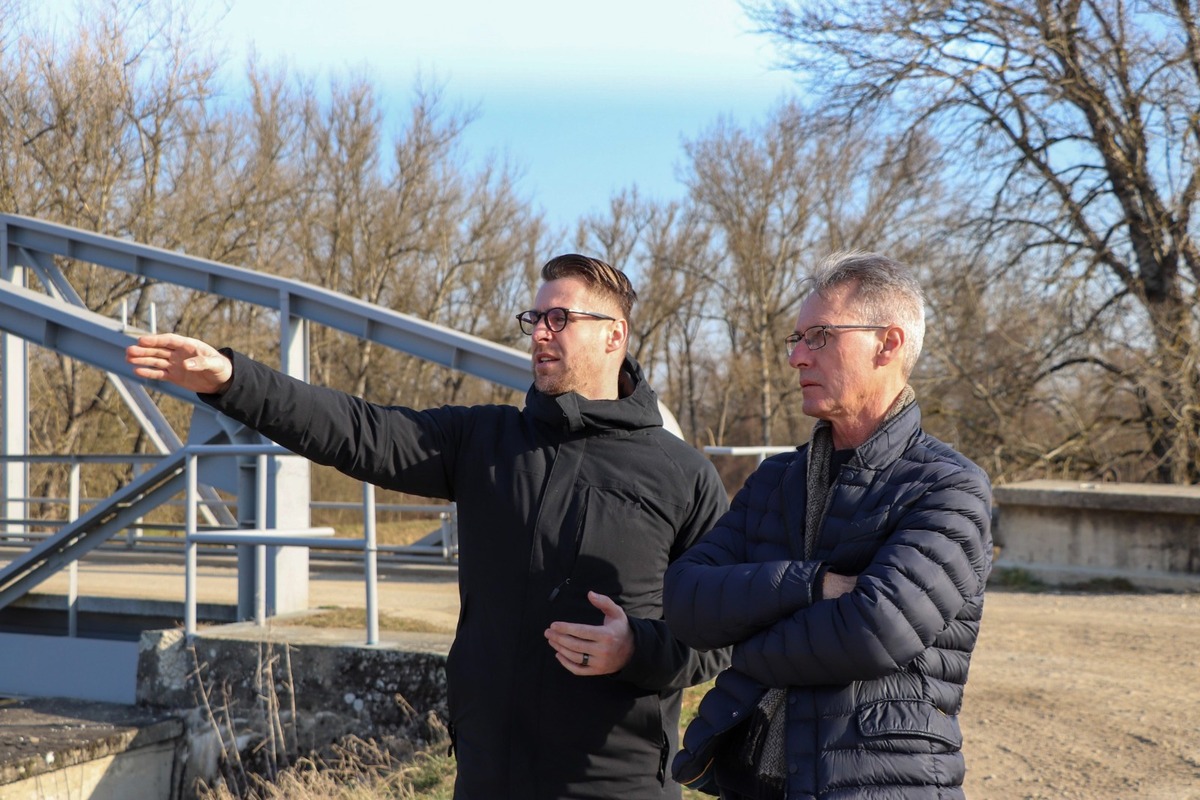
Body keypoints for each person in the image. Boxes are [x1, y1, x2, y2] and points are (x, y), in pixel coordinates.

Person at [127, 254, 730, 800]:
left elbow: (720, 636)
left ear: (613, 335)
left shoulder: (681, 475)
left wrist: (635, 650)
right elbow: (358, 430)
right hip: (487, 778)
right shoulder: (485, 441)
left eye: (560, 318)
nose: (540, 333)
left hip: (614, 783)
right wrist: (232, 381)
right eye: (535, 318)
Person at [662, 251, 993, 799]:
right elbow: (684, 599)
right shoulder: (775, 480)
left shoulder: (948, 486)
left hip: (881, 786)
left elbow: (872, 631)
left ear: (888, 344)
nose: (796, 357)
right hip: (755, 784)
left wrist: (743, 641)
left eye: (818, 336)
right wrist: (812, 585)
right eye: (795, 339)